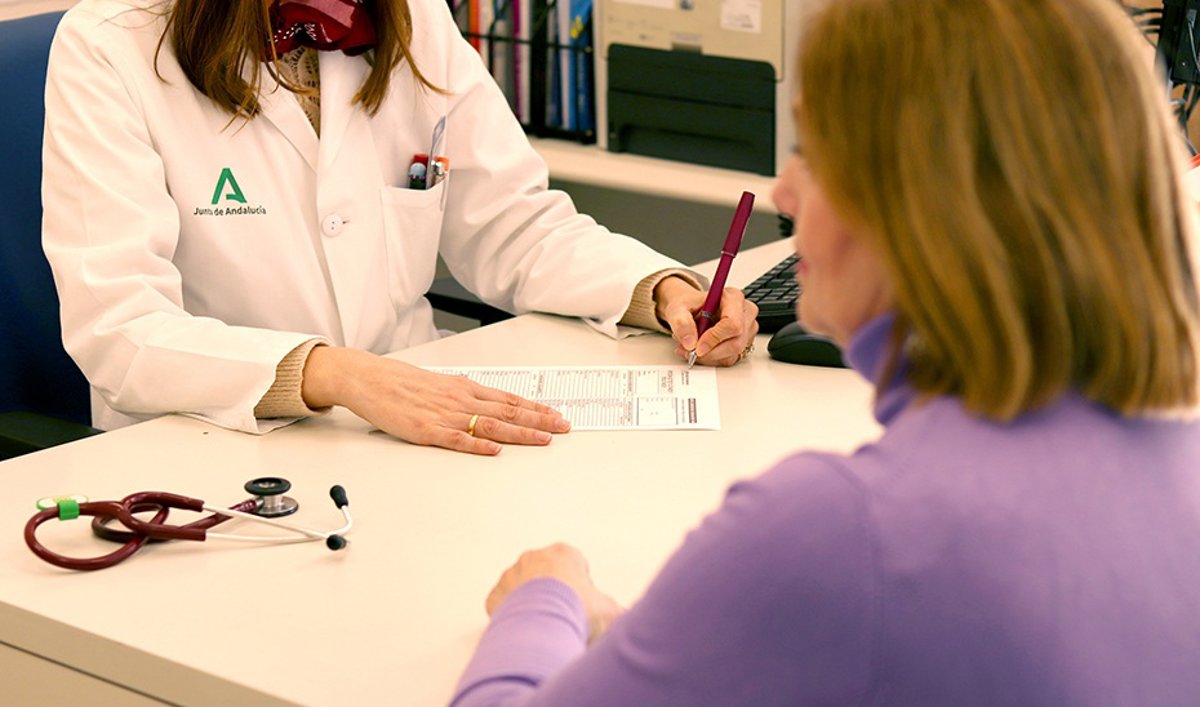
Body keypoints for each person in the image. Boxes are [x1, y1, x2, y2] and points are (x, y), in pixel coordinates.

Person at [452, 0, 1200, 702]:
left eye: (813, 151)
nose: (782, 193)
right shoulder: (1174, 455)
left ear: (925, 195)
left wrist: (543, 601)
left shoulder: (842, 529)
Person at [40, 0, 758, 456]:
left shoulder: (411, 17)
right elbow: (121, 328)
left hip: (412, 431)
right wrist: (337, 373)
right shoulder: (110, 44)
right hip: (210, 449)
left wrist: (663, 289)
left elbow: (515, 225)